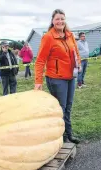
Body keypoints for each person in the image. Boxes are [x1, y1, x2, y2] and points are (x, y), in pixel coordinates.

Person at [34, 9, 81, 144]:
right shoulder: (48, 37)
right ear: (53, 21)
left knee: (68, 106)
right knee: (60, 108)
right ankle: (61, 137)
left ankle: (68, 133)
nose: (60, 21)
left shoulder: (70, 35)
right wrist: (38, 81)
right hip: (56, 78)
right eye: (57, 19)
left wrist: (79, 64)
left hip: (70, 77)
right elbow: (40, 61)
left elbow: (76, 52)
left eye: (62, 19)